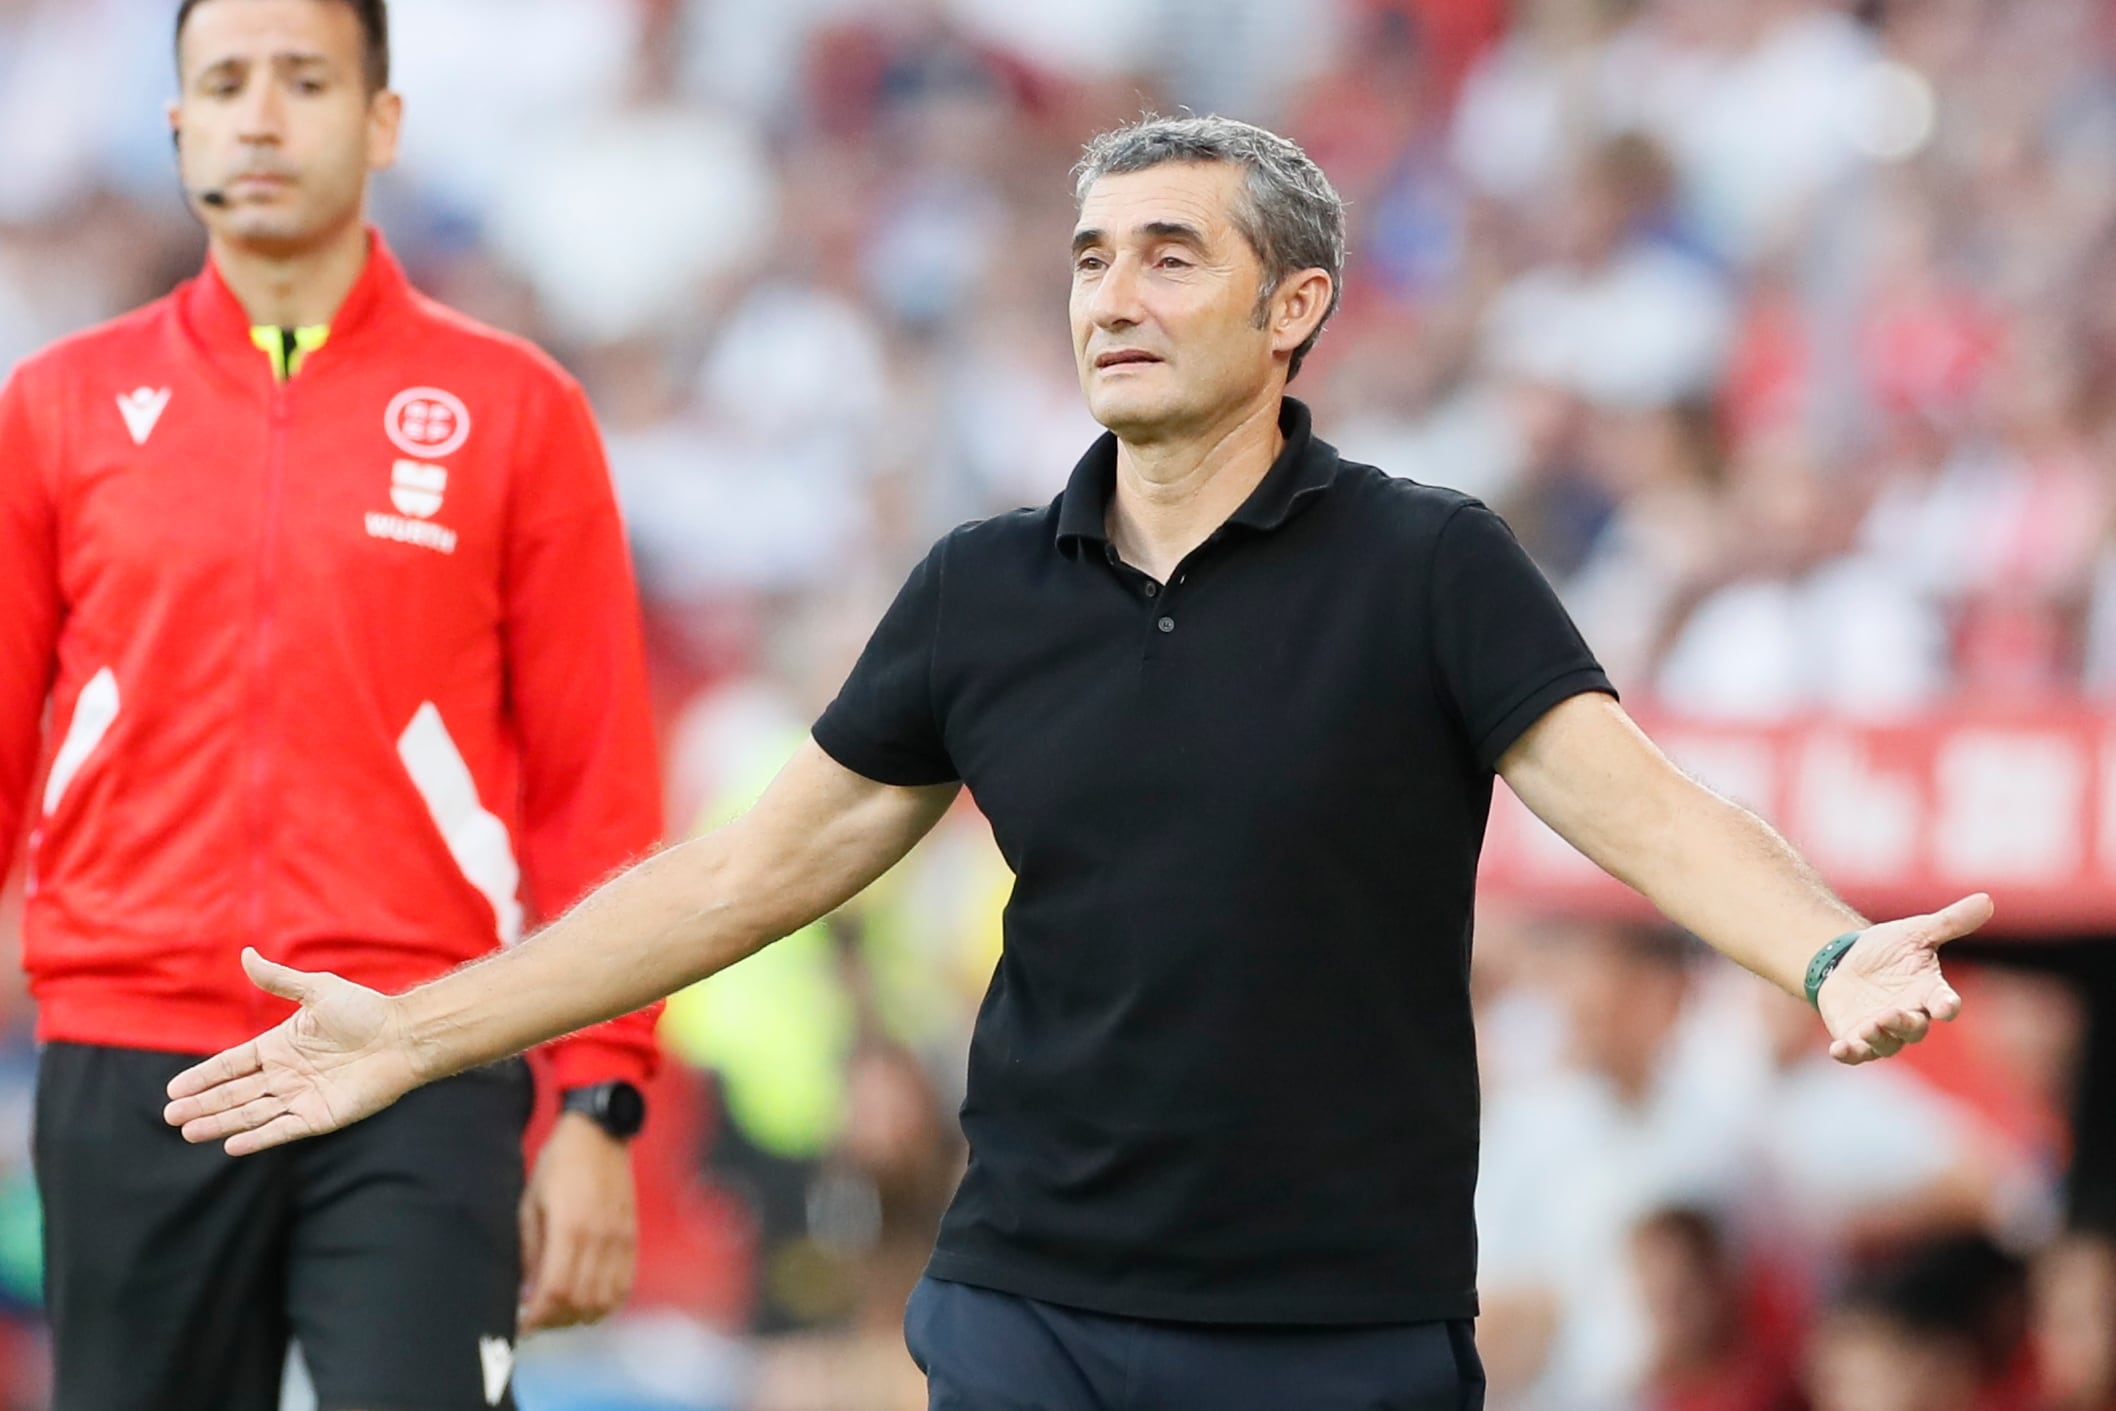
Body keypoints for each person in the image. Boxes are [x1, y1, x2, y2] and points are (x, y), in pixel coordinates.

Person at [165, 114, 1992, 1411]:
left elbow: (1638, 804)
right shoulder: (978, 591)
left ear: (1296, 312)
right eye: (1090, 258)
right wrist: (415, 1030)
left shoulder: (1430, 565)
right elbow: (733, 877)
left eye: (1170, 255)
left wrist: (1826, 951)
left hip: (1336, 1326)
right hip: (1026, 1302)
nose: (1109, 291)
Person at [0, 1, 664, 1407]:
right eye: (223, 83)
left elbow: (595, 780)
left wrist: (600, 1099)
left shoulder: (515, 410)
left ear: (381, 123)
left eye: (304, 80)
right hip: (134, 1058)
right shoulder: (59, 406)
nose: (259, 114)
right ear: (178, 127)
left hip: (422, 1048)